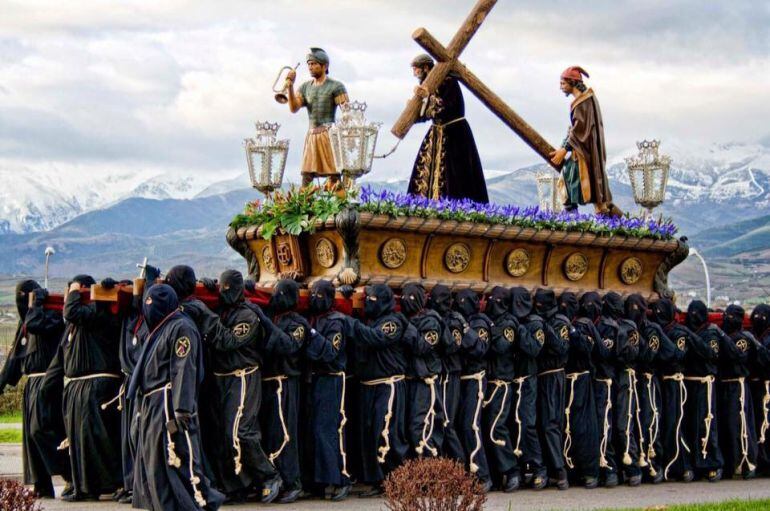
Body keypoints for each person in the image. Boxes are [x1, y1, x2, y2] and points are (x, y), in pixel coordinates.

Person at [129, 283, 224, 511]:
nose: (149, 308)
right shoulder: (158, 329)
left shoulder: (181, 327)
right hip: (152, 405)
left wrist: (182, 408)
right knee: (156, 466)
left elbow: (184, 367)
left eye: (153, 303)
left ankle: (200, 505)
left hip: (169, 405)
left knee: (180, 462)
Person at [207, 270, 282, 504]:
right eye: (221, 288)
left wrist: (205, 315)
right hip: (221, 379)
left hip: (243, 376)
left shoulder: (248, 315)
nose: (223, 292)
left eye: (227, 288)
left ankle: (270, 476)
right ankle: (237, 485)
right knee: (223, 435)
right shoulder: (221, 311)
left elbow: (227, 341)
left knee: (242, 431)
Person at [0, 280, 70, 498]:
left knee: (41, 430)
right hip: (31, 383)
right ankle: (42, 484)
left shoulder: (49, 317)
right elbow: (14, 359)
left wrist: (37, 304)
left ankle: (69, 473)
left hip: (47, 380)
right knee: (30, 439)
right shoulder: (26, 323)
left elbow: (35, 324)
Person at [60, 274, 123, 501]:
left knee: (95, 439)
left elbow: (71, 311)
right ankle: (84, 486)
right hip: (78, 387)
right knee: (80, 440)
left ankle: (102, 485)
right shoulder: (78, 323)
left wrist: (76, 291)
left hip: (96, 385)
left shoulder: (98, 312)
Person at [349, 284, 411, 496]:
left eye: (373, 300)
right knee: (368, 434)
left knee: (387, 432)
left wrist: (350, 322)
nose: (368, 303)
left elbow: (375, 338)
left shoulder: (393, 322)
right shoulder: (370, 320)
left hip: (388, 385)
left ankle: (396, 480)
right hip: (368, 387)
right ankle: (377, 480)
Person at [407, 53, 488, 203]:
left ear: (426, 67)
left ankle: (456, 208)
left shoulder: (448, 80)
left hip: (455, 133)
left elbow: (446, 107)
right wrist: (413, 109)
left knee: (455, 175)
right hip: (436, 132)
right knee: (424, 172)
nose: (414, 73)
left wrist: (428, 97)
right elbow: (425, 114)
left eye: (416, 69)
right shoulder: (426, 84)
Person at [261, 279, 313, 504]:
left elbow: (289, 345)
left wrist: (266, 323)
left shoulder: (298, 323)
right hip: (268, 382)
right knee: (270, 434)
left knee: (284, 433)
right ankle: (275, 478)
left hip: (285, 382)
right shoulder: (272, 316)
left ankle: (293, 482)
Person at [549, 66, 621, 216]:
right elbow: (575, 129)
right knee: (589, 185)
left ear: (572, 82)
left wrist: (564, 150)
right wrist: (563, 146)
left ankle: (573, 217)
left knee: (566, 180)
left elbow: (579, 129)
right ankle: (594, 214)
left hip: (583, 154)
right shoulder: (587, 100)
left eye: (563, 83)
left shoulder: (583, 102)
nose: (561, 87)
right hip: (585, 150)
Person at [305, 279, 352, 501]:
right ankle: (321, 479)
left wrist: (313, 335)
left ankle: (339, 478)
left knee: (330, 430)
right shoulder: (312, 318)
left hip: (331, 379)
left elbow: (330, 352)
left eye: (320, 295)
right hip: (315, 379)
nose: (315, 299)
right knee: (315, 431)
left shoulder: (336, 321)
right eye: (312, 294)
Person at [625, 294, 676, 484]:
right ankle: (634, 465)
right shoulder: (627, 327)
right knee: (631, 422)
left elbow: (653, 354)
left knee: (649, 422)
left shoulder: (651, 329)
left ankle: (653, 465)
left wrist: (638, 339)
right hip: (632, 380)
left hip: (647, 380)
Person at [285, 47, 349, 188]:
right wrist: (290, 87)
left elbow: (347, 113)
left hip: (329, 136)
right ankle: (304, 201)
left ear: (324, 66)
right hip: (312, 136)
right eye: (309, 64)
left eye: (314, 64)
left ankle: (340, 199)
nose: (310, 67)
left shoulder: (336, 86)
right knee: (306, 175)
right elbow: (294, 108)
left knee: (334, 175)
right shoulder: (305, 87)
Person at [651, 298, 695, 482]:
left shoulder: (678, 332)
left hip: (674, 384)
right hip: (660, 382)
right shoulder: (656, 330)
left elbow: (676, 355)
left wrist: (661, 336)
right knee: (660, 424)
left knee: (675, 423)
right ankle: (664, 464)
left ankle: (683, 465)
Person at [400, 283, 445, 460]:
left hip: (425, 382)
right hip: (409, 380)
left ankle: (430, 467)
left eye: (411, 298)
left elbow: (423, 346)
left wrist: (407, 326)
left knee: (421, 426)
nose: (406, 302)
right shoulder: (406, 320)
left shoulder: (431, 321)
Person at [453, 289, 492, 491]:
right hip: (461, 380)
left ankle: (483, 476)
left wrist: (466, 329)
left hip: (475, 380)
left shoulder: (480, 322)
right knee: (459, 426)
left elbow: (480, 348)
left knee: (472, 426)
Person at [482, 287, 521, 492]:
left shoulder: (508, 323)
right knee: (485, 428)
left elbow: (500, 346)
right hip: (488, 382)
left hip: (502, 383)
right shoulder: (489, 320)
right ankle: (496, 475)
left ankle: (512, 470)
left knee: (496, 428)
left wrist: (490, 327)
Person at [508, 286, 547, 489]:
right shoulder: (511, 322)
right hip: (513, 380)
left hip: (528, 380)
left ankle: (539, 467)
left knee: (528, 424)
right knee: (514, 424)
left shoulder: (535, 323)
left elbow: (533, 348)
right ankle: (524, 467)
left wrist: (520, 329)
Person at [601, 292, 642, 486]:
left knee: (623, 424)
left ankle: (631, 466)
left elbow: (633, 352)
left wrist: (618, 338)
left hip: (625, 377)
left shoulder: (628, 327)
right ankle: (611, 468)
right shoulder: (603, 325)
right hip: (609, 378)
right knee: (607, 424)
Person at [560, 291, 600, 489]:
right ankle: (572, 469)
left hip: (582, 381)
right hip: (566, 381)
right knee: (568, 426)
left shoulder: (584, 325)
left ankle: (590, 471)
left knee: (585, 428)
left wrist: (574, 333)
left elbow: (589, 348)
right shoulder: (560, 324)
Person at [580, 292, 619, 487]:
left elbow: (604, 352)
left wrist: (592, 332)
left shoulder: (608, 327)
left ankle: (609, 468)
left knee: (605, 426)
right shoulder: (582, 324)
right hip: (587, 381)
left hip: (604, 382)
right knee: (588, 428)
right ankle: (591, 470)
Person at [533, 289, 571, 490]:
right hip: (540, 376)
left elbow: (561, 347)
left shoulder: (559, 322)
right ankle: (549, 468)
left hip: (553, 376)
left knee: (551, 423)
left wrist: (546, 329)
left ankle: (559, 470)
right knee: (542, 424)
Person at [684, 301, 725, 482]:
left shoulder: (710, 333)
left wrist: (691, 338)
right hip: (689, 384)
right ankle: (694, 463)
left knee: (706, 424)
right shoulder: (686, 331)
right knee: (689, 425)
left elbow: (711, 353)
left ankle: (713, 463)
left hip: (704, 384)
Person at [718, 305, 761, 479]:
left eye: (730, 317)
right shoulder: (725, 336)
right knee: (726, 425)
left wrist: (722, 337)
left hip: (737, 386)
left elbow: (736, 355)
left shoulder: (742, 339)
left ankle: (748, 462)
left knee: (740, 424)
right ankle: (731, 463)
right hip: (724, 385)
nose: (726, 320)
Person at [427, 284, 466, 462]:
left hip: (450, 374)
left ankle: (459, 465)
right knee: (439, 421)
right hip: (442, 373)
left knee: (447, 422)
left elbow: (453, 346)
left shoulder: (453, 320)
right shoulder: (437, 317)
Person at [750, 304, 770, 473]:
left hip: (767, 386)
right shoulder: (752, 334)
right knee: (756, 424)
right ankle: (759, 460)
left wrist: (756, 345)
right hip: (754, 386)